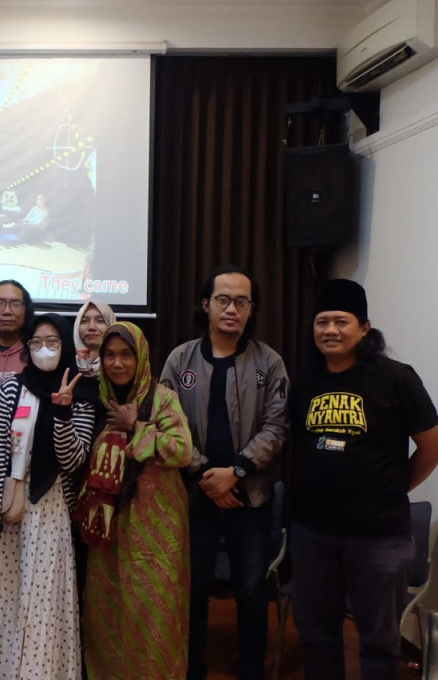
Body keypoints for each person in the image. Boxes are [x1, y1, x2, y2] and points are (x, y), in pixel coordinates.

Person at [288, 279, 438, 680]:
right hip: (312, 533)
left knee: (379, 641)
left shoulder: (396, 378)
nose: (330, 330)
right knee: (316, 634)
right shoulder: (305, 380)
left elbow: (434, 446)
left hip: (379, 536)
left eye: (341, 321)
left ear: (364, 328)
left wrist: (395, 488)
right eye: (321, 321)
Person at [157, 267, 289, 680]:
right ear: (205, 305)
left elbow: (277, 426)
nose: (232, 309)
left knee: (251, 589)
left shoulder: (270, 363)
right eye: (223, 300)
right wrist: (205, 477)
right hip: (195, 496)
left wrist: (235, 472)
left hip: (249, 496)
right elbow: (166, 422)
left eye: (242, 302)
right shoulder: (181, 359)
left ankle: (251, 670)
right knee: (193, 589)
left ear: (251, 310)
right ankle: (191, 667)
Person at [0, 314, 94, 680]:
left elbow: (72, 462)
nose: (44, 350)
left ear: (66, 346)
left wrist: (63, 412)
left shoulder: (82, 393)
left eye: (53, 342)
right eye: (36, 343)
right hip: (10, 509)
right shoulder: (12, 388)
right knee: (6, 599)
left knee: (43, 599)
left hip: (52, 508)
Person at [77, 321, 193, 680]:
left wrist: (136, 428)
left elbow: (183, 452)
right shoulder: (95, 398)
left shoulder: (163, 398)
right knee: (107, 609)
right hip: (107, 526)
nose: (117, 363)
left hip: (156, 527)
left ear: (140, 356)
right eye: (109, 355)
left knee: (154, 611)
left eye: (126, 355)